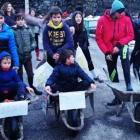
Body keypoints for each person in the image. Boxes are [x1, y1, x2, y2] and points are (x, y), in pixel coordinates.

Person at [95, 0, 134, 106]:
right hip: (109, 48)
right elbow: (98, 38)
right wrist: (106, 52)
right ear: (114, 11)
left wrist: (119, 45)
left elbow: (130, 35)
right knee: (112, 71)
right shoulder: (102, 21)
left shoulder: (126, 19)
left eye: (123, 11)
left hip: (121, 45)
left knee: (125, 54)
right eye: (120, 11)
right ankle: (117, 97)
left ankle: (128, 83)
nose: (122, 13)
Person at [0, 51, 33, 139]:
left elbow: (18, 80)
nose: (7, 65)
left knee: (20, 84)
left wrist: (27, 87)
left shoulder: (12, 72)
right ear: (0, 63)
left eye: (9, 63)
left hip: (10, 91)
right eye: (4, 63)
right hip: (1, 92)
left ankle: (22, 99)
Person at [66, 11, 104, 83]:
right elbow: (65, 22)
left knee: (89, 60)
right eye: (76, 17)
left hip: (83, 47)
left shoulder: (83, 27)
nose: (78, 19)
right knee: (74, 63)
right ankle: (75, 78)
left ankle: (95, 75)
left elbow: (85, 38)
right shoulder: (71, 26)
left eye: (80, 17)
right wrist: (71, 25)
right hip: (73, 49)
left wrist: (84, 46)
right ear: (74, 18)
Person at [11, 13, 42, 95]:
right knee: (19, 75)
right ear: (15, 21)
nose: (20, 22)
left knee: (31, 74)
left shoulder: (28, 29)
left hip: (28, 56)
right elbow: (12, 43)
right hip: (18, 57)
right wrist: (17, 50)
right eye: (18, 20)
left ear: (24, 20)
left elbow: (33, 40)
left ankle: (32, 87)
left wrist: (31, 47)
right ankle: (22, 90)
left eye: (22, 20)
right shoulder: (12, 31)